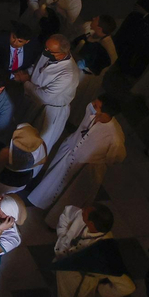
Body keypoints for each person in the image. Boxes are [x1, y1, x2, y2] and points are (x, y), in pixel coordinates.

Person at [27, 95, 125, 224]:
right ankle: (42, 202)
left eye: (97, 106)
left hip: (85, 166)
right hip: (69, 151)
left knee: (70, 195)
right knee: (53, 181)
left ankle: (55, 220)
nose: (93, 105)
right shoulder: (91, 109)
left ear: (106, 112)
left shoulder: (114, 136)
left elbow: (115, 158)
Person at [43, 204, 134, 297]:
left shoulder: (106, 253)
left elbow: (128, 287)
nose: (83, 210)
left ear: (91, 223)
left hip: (77, 286)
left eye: (85, 211)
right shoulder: (83, 219)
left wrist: (101, 290)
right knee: (56, 289)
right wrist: (63, 237)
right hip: (62, 268)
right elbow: (67, 214)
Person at [16, 34, 77, 152]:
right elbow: (39, 67)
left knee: (36, 143)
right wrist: (26, 73)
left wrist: (25, 81)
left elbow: (45, 97)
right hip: (34, 99)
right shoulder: (50, 53)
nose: (46, 51)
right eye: (46, 47)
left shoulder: (68, 74)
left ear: (62, 53)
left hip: (49, 110)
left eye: (50, 50)